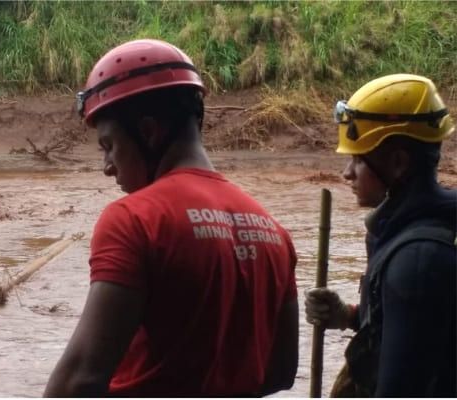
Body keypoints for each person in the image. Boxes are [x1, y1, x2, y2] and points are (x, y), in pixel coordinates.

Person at [43, 39, 298, 397]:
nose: (107, 167)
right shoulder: (273, 231)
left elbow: (79, 382)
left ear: (149, 131)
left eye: (109, 146)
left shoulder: (134, 220)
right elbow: (281, 372)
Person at [305, 74, 456, 397]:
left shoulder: (416, 261)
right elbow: (415, 328)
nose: (347, 173)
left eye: (358, 160)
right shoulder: (423, 231)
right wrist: (349, 315)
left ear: (398, 163)